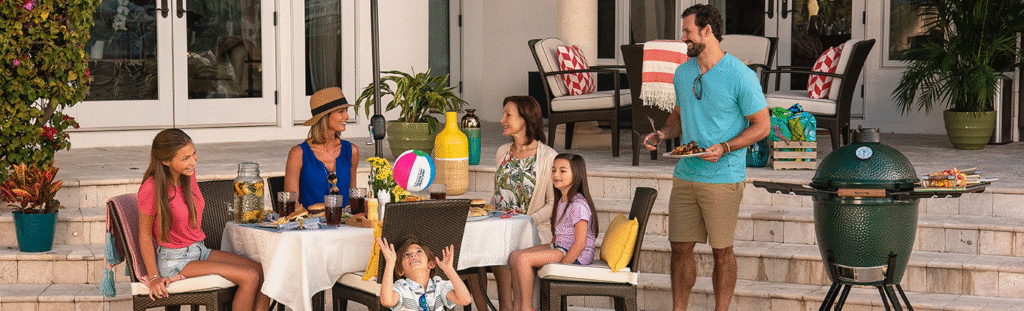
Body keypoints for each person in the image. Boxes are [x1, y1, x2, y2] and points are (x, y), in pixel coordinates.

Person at [642, 4, 770, 311]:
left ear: (707, 31)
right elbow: (678, 116)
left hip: (723, 177)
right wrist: (662, 134)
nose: (683, 37)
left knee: (722, 252)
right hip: (686, 173)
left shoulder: (740, 76)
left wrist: (725, 147)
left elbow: (762, 126)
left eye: (687, 31)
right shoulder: (683, 73)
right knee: (679, 249)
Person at [137, 128, 271, 311]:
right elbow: (144, 234)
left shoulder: (187, 176)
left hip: (199, 250)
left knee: (264, 271)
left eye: (194, 154)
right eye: (185, 158)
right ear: (166, 161)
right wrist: (153, 278)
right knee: (249, 276)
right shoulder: (151, 188)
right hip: (174, 260)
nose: (193, 161)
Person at [468, 95, 557, 311]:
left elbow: (553, 204)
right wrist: (483, 212)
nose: (502, 120)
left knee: (504, 243)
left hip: (532, 229)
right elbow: (498, 195)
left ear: (525, 119)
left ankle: (508, 306)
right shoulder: (502, 152)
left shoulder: (548, 157)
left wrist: (524, 221)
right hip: (501, 225)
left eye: (508, 115)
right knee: (469, 248)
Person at [508, 153, 598, 311]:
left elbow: (580, 243)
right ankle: (518, 306)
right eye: (554, 170)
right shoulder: (562, 199)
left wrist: (562, 267)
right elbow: (558, 233)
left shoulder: (578, 205)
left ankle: (526, 308)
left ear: (576, 174)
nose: (556, 175)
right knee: (515, 256)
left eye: (563, 171)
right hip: (560, 247)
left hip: (574, 254)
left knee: (523, 260)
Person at [285, 87, 360, 209]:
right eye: (341, 111)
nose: (347, 116)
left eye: (346, 110)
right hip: (311, 224)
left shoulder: (351, 151)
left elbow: (353, 197)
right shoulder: (298, 153)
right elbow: (292, 203)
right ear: (324, 116)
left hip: (345, 225)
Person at [377, 236, 473, 310]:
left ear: (431, 264)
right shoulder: (402, 287)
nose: (413, 255)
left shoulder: (438, 285)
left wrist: (449, 270)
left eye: (419, 251)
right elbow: (387, 301)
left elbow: (465, 300)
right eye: (406, 254)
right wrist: (390, 263)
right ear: (401, 270)